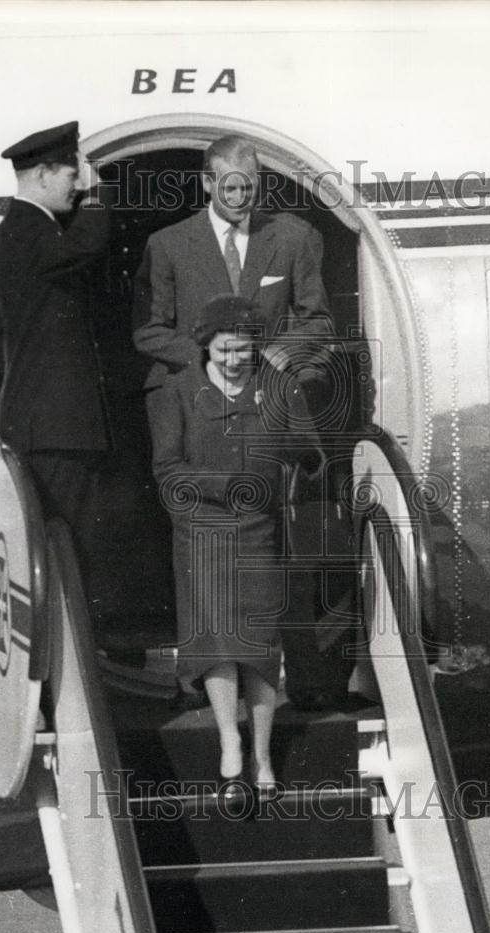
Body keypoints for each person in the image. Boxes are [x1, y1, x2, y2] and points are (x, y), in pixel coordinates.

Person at [134, 134, 352, 711]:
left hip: (272, 413)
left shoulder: (296, 238)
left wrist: (276, 356)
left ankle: (287, 684)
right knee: (202, 550)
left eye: (249, 186)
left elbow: (318, 323)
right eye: (228, 185)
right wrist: (209, 360)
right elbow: (149, 330)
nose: (239, 195)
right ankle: (203, 686)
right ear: (207, 183)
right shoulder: (168, 244)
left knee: (276, 549)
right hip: (199, 415)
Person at [150, 295, 325, 791]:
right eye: (225, 350)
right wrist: (222, 486)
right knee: (216, 646)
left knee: (259, 646)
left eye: (244, 351)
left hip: (258, 530)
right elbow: (167, 471)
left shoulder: (279, 387)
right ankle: (230, 739)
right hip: (202, 531)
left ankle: (264, 755)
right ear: (206, 346)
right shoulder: (177, 391)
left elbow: (312, 457)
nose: (234, 360)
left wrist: (293, 445)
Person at [0, 120, 111, 582]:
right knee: (74, 552)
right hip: (57, 431)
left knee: (64, 550)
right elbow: (86, 247)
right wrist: (99, 194)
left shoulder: (19, 233)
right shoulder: (28, 231)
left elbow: (0, 348)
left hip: (44, 425)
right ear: (42, 174)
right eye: (71, 175)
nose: (77, 186)